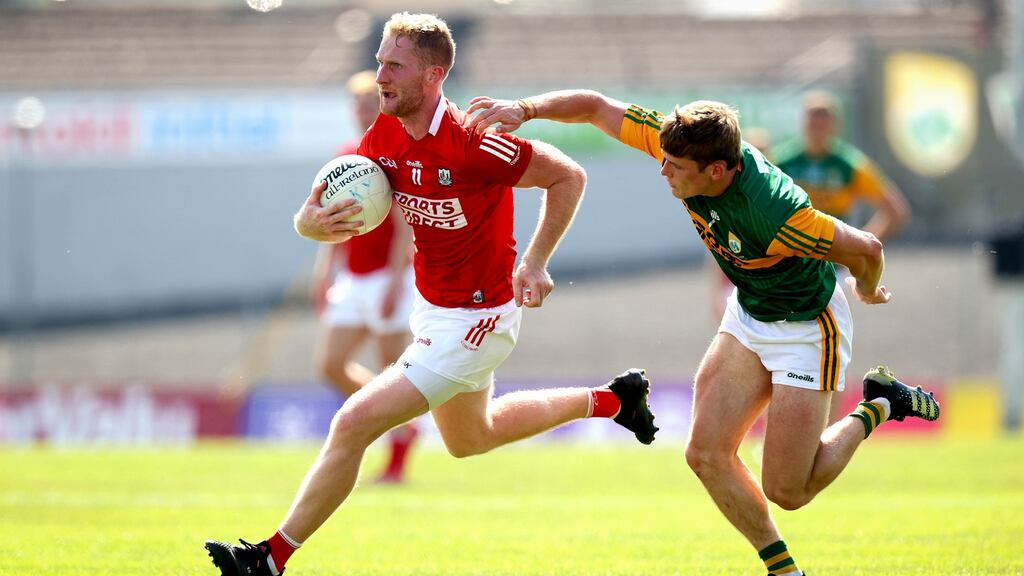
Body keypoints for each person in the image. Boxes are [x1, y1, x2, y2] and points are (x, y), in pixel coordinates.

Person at [204, 14, 658, 576]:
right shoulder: (384, 134)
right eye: (378, 62)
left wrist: (535, 262)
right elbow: (323, 205)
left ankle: (269, 559)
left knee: (352, 424)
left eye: (394, 65)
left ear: (433, 75)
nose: (380, 76)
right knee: (471, 438)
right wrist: (308, 223)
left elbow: (569, 176)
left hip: (480, 318)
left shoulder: (476, 142)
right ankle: (613, 401)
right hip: (433, 309)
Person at [467, 91, 939, 576]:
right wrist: (524, 110)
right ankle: (784, 572)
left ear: (716, 170)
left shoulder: (777, 215)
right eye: (664, 158)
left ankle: (880, 404)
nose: (662, 171)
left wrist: (868, 289)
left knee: (789, 491)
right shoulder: (682, 146)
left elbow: (866, 247)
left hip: (807, 327)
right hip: (749, 314)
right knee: (706, 455)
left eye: (674, 166)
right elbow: (594, 106)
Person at [773, 90, 911, 423]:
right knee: (780, 349)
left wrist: (859, 247)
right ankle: (781, 427)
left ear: (834, 124)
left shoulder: (848, 164)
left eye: (824, 119)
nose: (818, 126)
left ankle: (828, 428)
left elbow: (894, 210)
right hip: (784, 271)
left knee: (829, 352)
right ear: (804, 123)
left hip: (829, 273)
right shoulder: (783, 161)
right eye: (812, 118)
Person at [310, 70, 418, 484]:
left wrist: (396, 280)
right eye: (357, 105)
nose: (362, 112)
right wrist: (325, 272)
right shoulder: (344, 157)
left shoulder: (391, 155)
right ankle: (391, 418)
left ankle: (397, 463)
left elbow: (403, 224)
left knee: (393, 370)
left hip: (387, 278)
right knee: (331, 364)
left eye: (369, 104)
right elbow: (331, 224)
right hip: (352, 279)